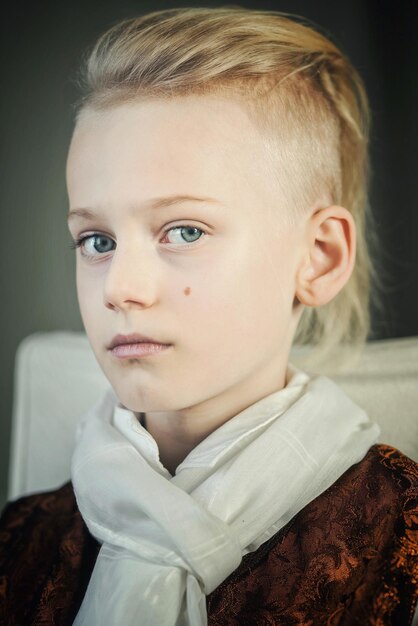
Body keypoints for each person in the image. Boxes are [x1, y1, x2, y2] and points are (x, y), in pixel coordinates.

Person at [0, 6, 417, 625]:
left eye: (185, 230)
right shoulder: (18, 542)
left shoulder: (401, 537)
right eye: (97, 241)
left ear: (319, 259)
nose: (120, 288)